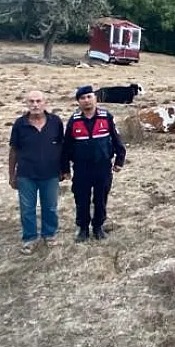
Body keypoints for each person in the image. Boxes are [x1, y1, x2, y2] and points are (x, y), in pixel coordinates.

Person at [60, 85, 126, 242]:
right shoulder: (74, 120)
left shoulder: (106, 117)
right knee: (81, 199)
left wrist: (119, 160)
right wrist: (65, 168)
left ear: (95, 98)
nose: (86, 101)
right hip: (81, 168)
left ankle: (98, 227)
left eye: (89, 97)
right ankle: (83, 228)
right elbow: (66, 146)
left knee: (100, 198)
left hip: (102, 167)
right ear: (78, 102)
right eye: (82, 98)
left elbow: (117, 140)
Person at [8, 90, 64, 254]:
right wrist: (12, 175)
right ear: (27, 104)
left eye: (38, 101)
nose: (35, 105)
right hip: (26, 174)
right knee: (27, 209)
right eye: (31, 101)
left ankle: (50, 234)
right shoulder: (20, 124)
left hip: (51, 173)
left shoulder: (56, 122)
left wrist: (64, 169)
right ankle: (30, 239)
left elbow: (62, 147)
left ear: (45, 103)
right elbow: (13, 150)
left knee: (51, 207)